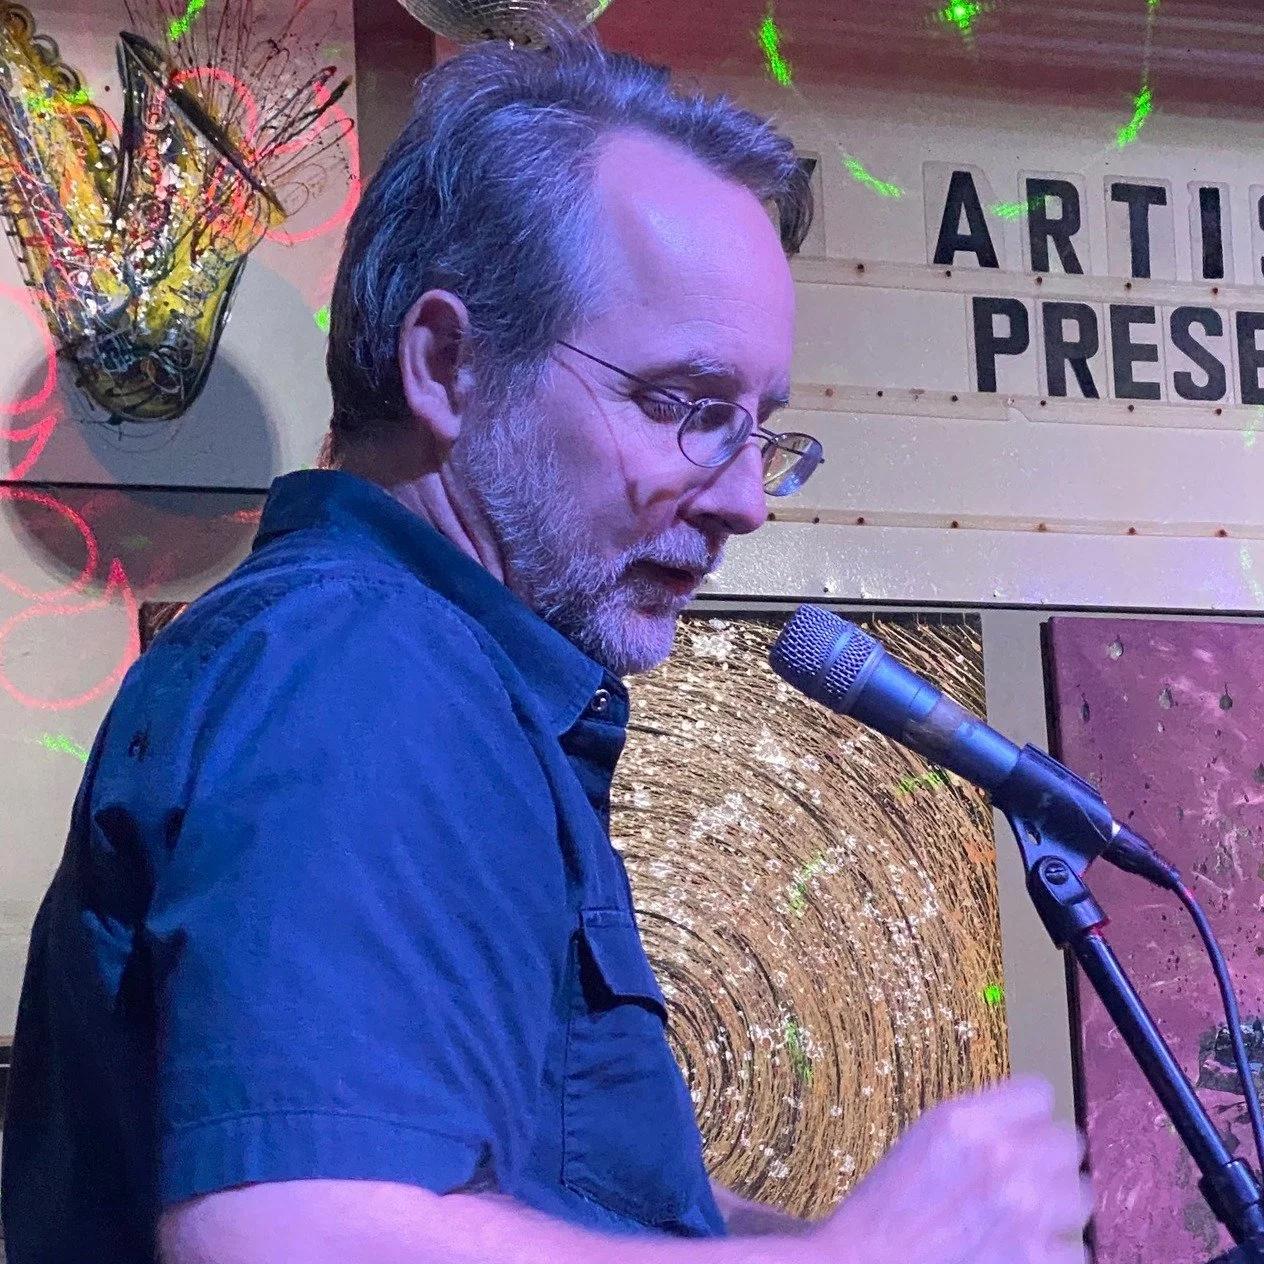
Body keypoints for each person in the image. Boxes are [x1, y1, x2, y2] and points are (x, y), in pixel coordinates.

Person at [1, 25, 1093, 1264]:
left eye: (757, 427)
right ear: (448, 365)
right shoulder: (363, 667)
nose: (746, 499)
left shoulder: (401, 667)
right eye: (685, 407)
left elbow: (527, 1193)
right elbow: (290, 1232)